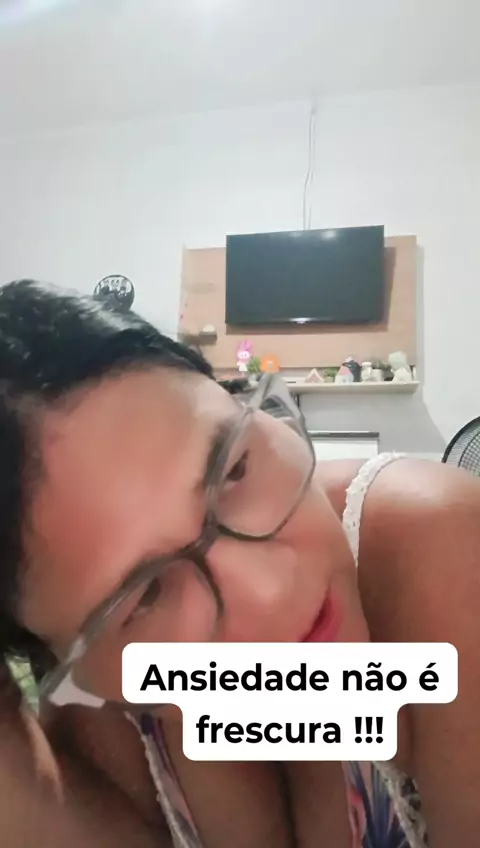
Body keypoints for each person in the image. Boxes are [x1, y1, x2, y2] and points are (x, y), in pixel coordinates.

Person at [0, 278, 479, 848]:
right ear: (55, 663)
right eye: (147, 597)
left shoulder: (438, 548)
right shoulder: (107, 735)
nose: (270, 591)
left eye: (235, 470)